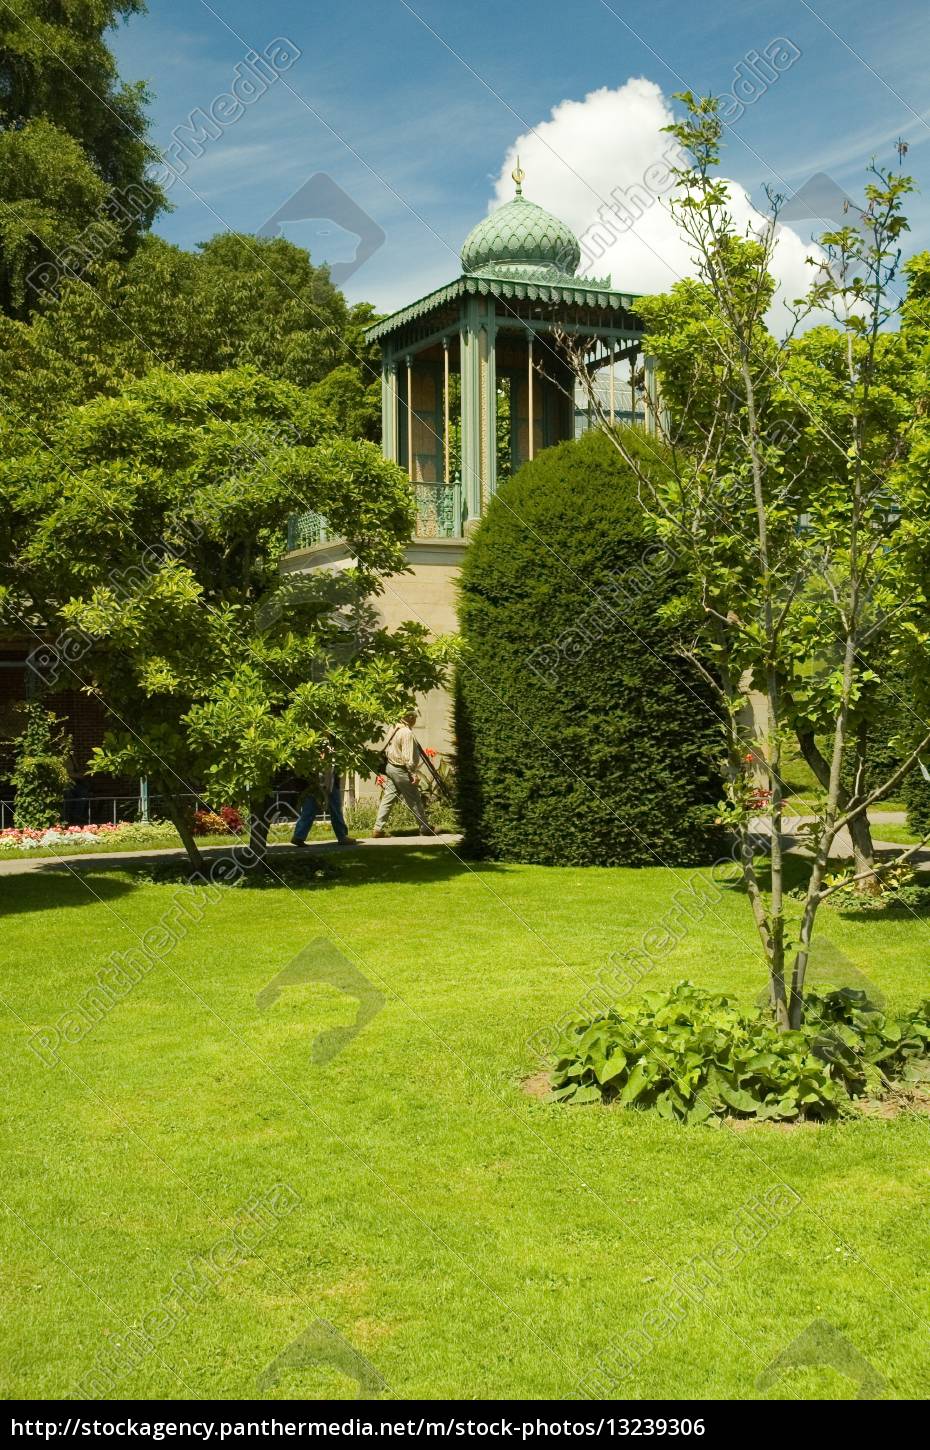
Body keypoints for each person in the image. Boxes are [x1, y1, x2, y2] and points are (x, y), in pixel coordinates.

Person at [372, 710, 436, 838]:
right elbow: (407, 757)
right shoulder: (406, 733)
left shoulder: (394, 727)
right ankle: (425, 828)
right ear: (410, 718)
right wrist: (413, 773)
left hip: (390, 767)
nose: (416, 720)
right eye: (415, 717)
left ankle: (378, 829)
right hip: (401, 770)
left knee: (388, 798)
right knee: (415, 799)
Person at [291, 766, 356, 847]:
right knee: (334, 809)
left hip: (324, 780)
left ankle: (299, 836)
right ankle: (342, 836)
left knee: (311, 808)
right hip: (319, 779)